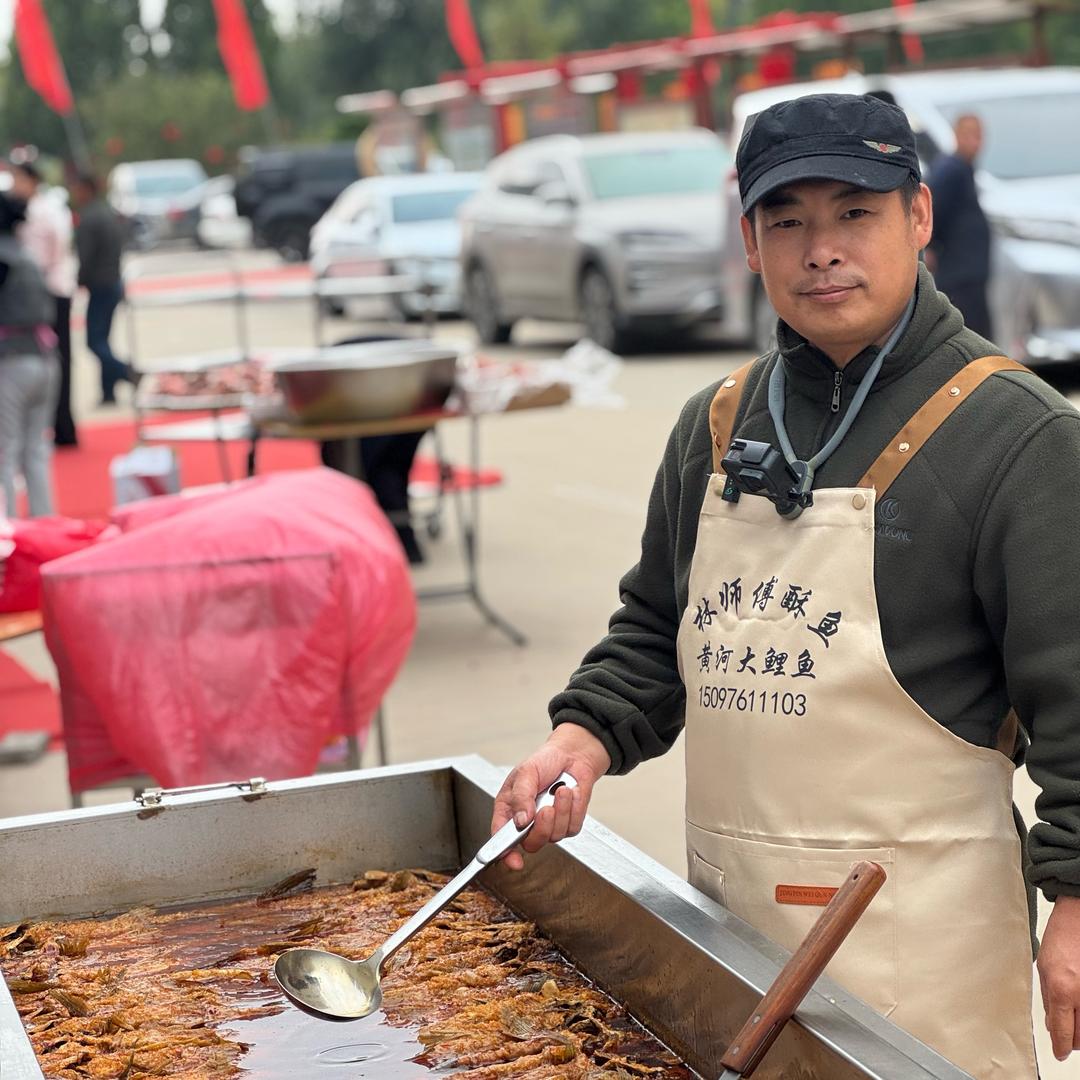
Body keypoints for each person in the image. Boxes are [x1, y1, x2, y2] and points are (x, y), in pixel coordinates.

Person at [492, 94, 1080, 1078]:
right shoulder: (716, 424)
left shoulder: (1017, 434)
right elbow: (654, 631)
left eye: (855, 212)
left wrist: (1076, 901)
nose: (821, 250)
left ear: (920, 218)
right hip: (732, 930)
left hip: (920, 951)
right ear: (751, 241)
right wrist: (581, 735)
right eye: (787, 220)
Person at [8, 158, 78, 446]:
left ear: (32, 180)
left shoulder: (46, 210)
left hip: (49, 290)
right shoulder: (22, 210)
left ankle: (63, 426)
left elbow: (57, 249)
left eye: (17, 179)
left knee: (57, 358)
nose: (14, 185)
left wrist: (42, 278)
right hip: (35, 292)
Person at [0, 189, 60, 517]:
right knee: (36, 451)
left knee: (5, 453)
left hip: (12, 360)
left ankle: (5, 532)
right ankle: (44, 522)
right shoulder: (26, 256)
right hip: (45, 357)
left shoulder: (4, 259)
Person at [70, 172, 136, 405]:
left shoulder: (89, 218)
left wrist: (80, 279)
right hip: (113, 281)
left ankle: (127, 372)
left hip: (101, 284)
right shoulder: (107, 214)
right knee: (103, 340)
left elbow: (85, 257)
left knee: (94, 342)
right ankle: (108, 392)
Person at [926, 113, 992, 338]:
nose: (975, 142)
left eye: (979, 136)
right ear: (956, 135)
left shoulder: (963, 168)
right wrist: (930, 244)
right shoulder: (950, 169)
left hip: (970, 273)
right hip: (959, 274)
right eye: (969, 135)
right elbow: (930, 209)